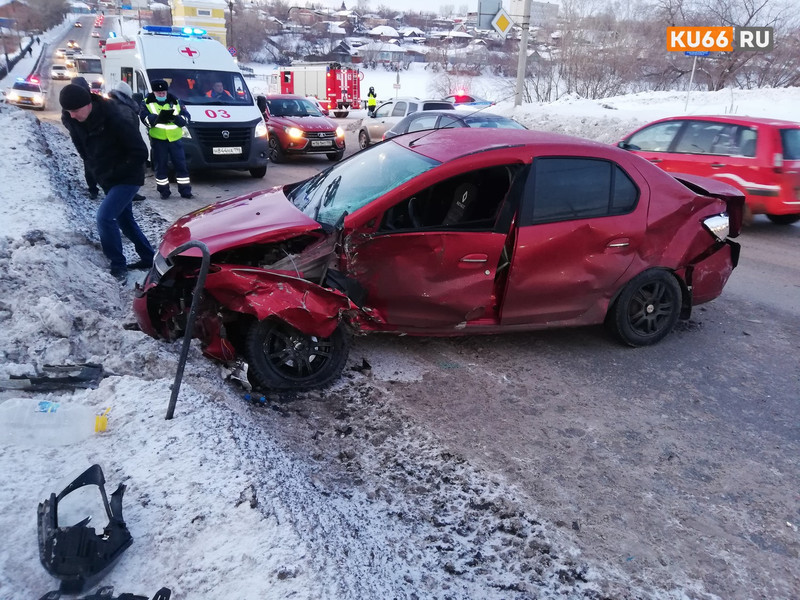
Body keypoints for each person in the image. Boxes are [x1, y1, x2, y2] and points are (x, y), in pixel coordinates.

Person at [59, 83, 154, 282]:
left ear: (88, 104)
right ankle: (148, 257)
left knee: (105, 217)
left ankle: (117, 265)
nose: (72, 115)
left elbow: (140, 152)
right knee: (124, 220)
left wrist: (116, 171)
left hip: (128, 176)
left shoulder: (114, 117)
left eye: (75, 110)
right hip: (107, 178)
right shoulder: (73, 120)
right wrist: (96, 171)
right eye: (69, 112)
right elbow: (83, 150)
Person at [140, 79, 192, 199]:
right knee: (161, 166)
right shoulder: (146, 102)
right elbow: (144, 118)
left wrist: (178, 119)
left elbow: (186, 116)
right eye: (159, 93)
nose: (162, 95)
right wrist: (156, 118)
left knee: (181, 166)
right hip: (158, 139)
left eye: (164, 93)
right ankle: (164, 191)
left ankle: (185, 190)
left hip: (175, 139)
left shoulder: (176, 101)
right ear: (154, 92)